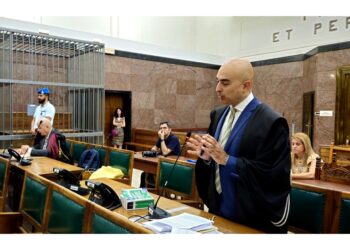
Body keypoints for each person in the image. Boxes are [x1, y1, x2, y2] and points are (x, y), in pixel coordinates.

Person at [187, 58, 291, 233]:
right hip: (218, 208)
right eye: (217, 81)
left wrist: (228, 160)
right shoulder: (218, 114)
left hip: (250, 216)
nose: (217, 88)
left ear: (246, 85)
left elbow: (273, 176)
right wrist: (206, 157)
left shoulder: (271, 122)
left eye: (225, 83)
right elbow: (214, 159)